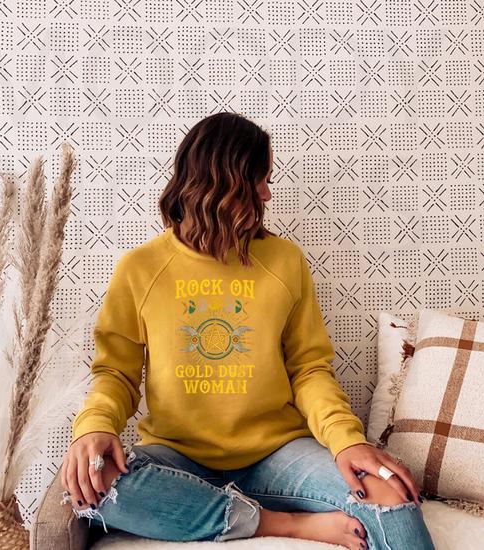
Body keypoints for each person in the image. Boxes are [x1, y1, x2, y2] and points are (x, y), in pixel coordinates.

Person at [60, 112, 436, 550]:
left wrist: (347, 442)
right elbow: (116, 374)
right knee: (95, 483)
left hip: (278, 456)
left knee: (389, 492)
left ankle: (243, 513)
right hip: (179, 457)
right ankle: (280, 523)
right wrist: (94, 426)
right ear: (225, 183)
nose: (267, 194)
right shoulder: (140, 269)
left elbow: (309, 370)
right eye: (261, 180)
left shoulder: (284, 262)